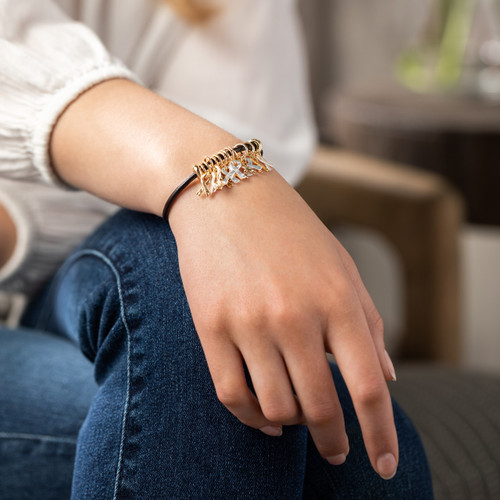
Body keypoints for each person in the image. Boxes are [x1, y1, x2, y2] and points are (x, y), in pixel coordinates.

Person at [0, 0, 433, 498]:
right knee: (329, 438)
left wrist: (195, 188)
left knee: (190, 276)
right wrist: (191, 172)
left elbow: (246, 220)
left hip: (94, 289)